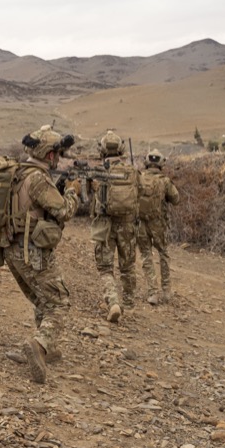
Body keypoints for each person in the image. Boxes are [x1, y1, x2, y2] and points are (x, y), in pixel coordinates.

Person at [2, 126, 79, 384]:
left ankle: (46, 347)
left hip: (12, 249)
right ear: (49, 155)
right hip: (31, 249)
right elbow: (64, 212)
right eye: (56, 153)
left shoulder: (18, 173)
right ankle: (39, 343)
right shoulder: (37, 179)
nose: (58, 157)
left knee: (41, 297)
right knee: (59, 302)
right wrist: (72, 191)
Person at [90, 130, 140, 323]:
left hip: (105, 226)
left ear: (102, 150)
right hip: (127, 226)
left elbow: (92, 201)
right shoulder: (133, 172)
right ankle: (129, 305)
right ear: (121, 150)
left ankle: (113, 302)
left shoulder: (99, 173)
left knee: (105, 268)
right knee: (127, 267)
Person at [136, 149, 180, 304]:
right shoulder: (165, 181)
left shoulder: (139, 178)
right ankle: (166, 291)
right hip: (158, 224)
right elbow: (176, 199)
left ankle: (152, 292)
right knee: (163, 254)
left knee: (146, 255)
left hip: (141, 223)